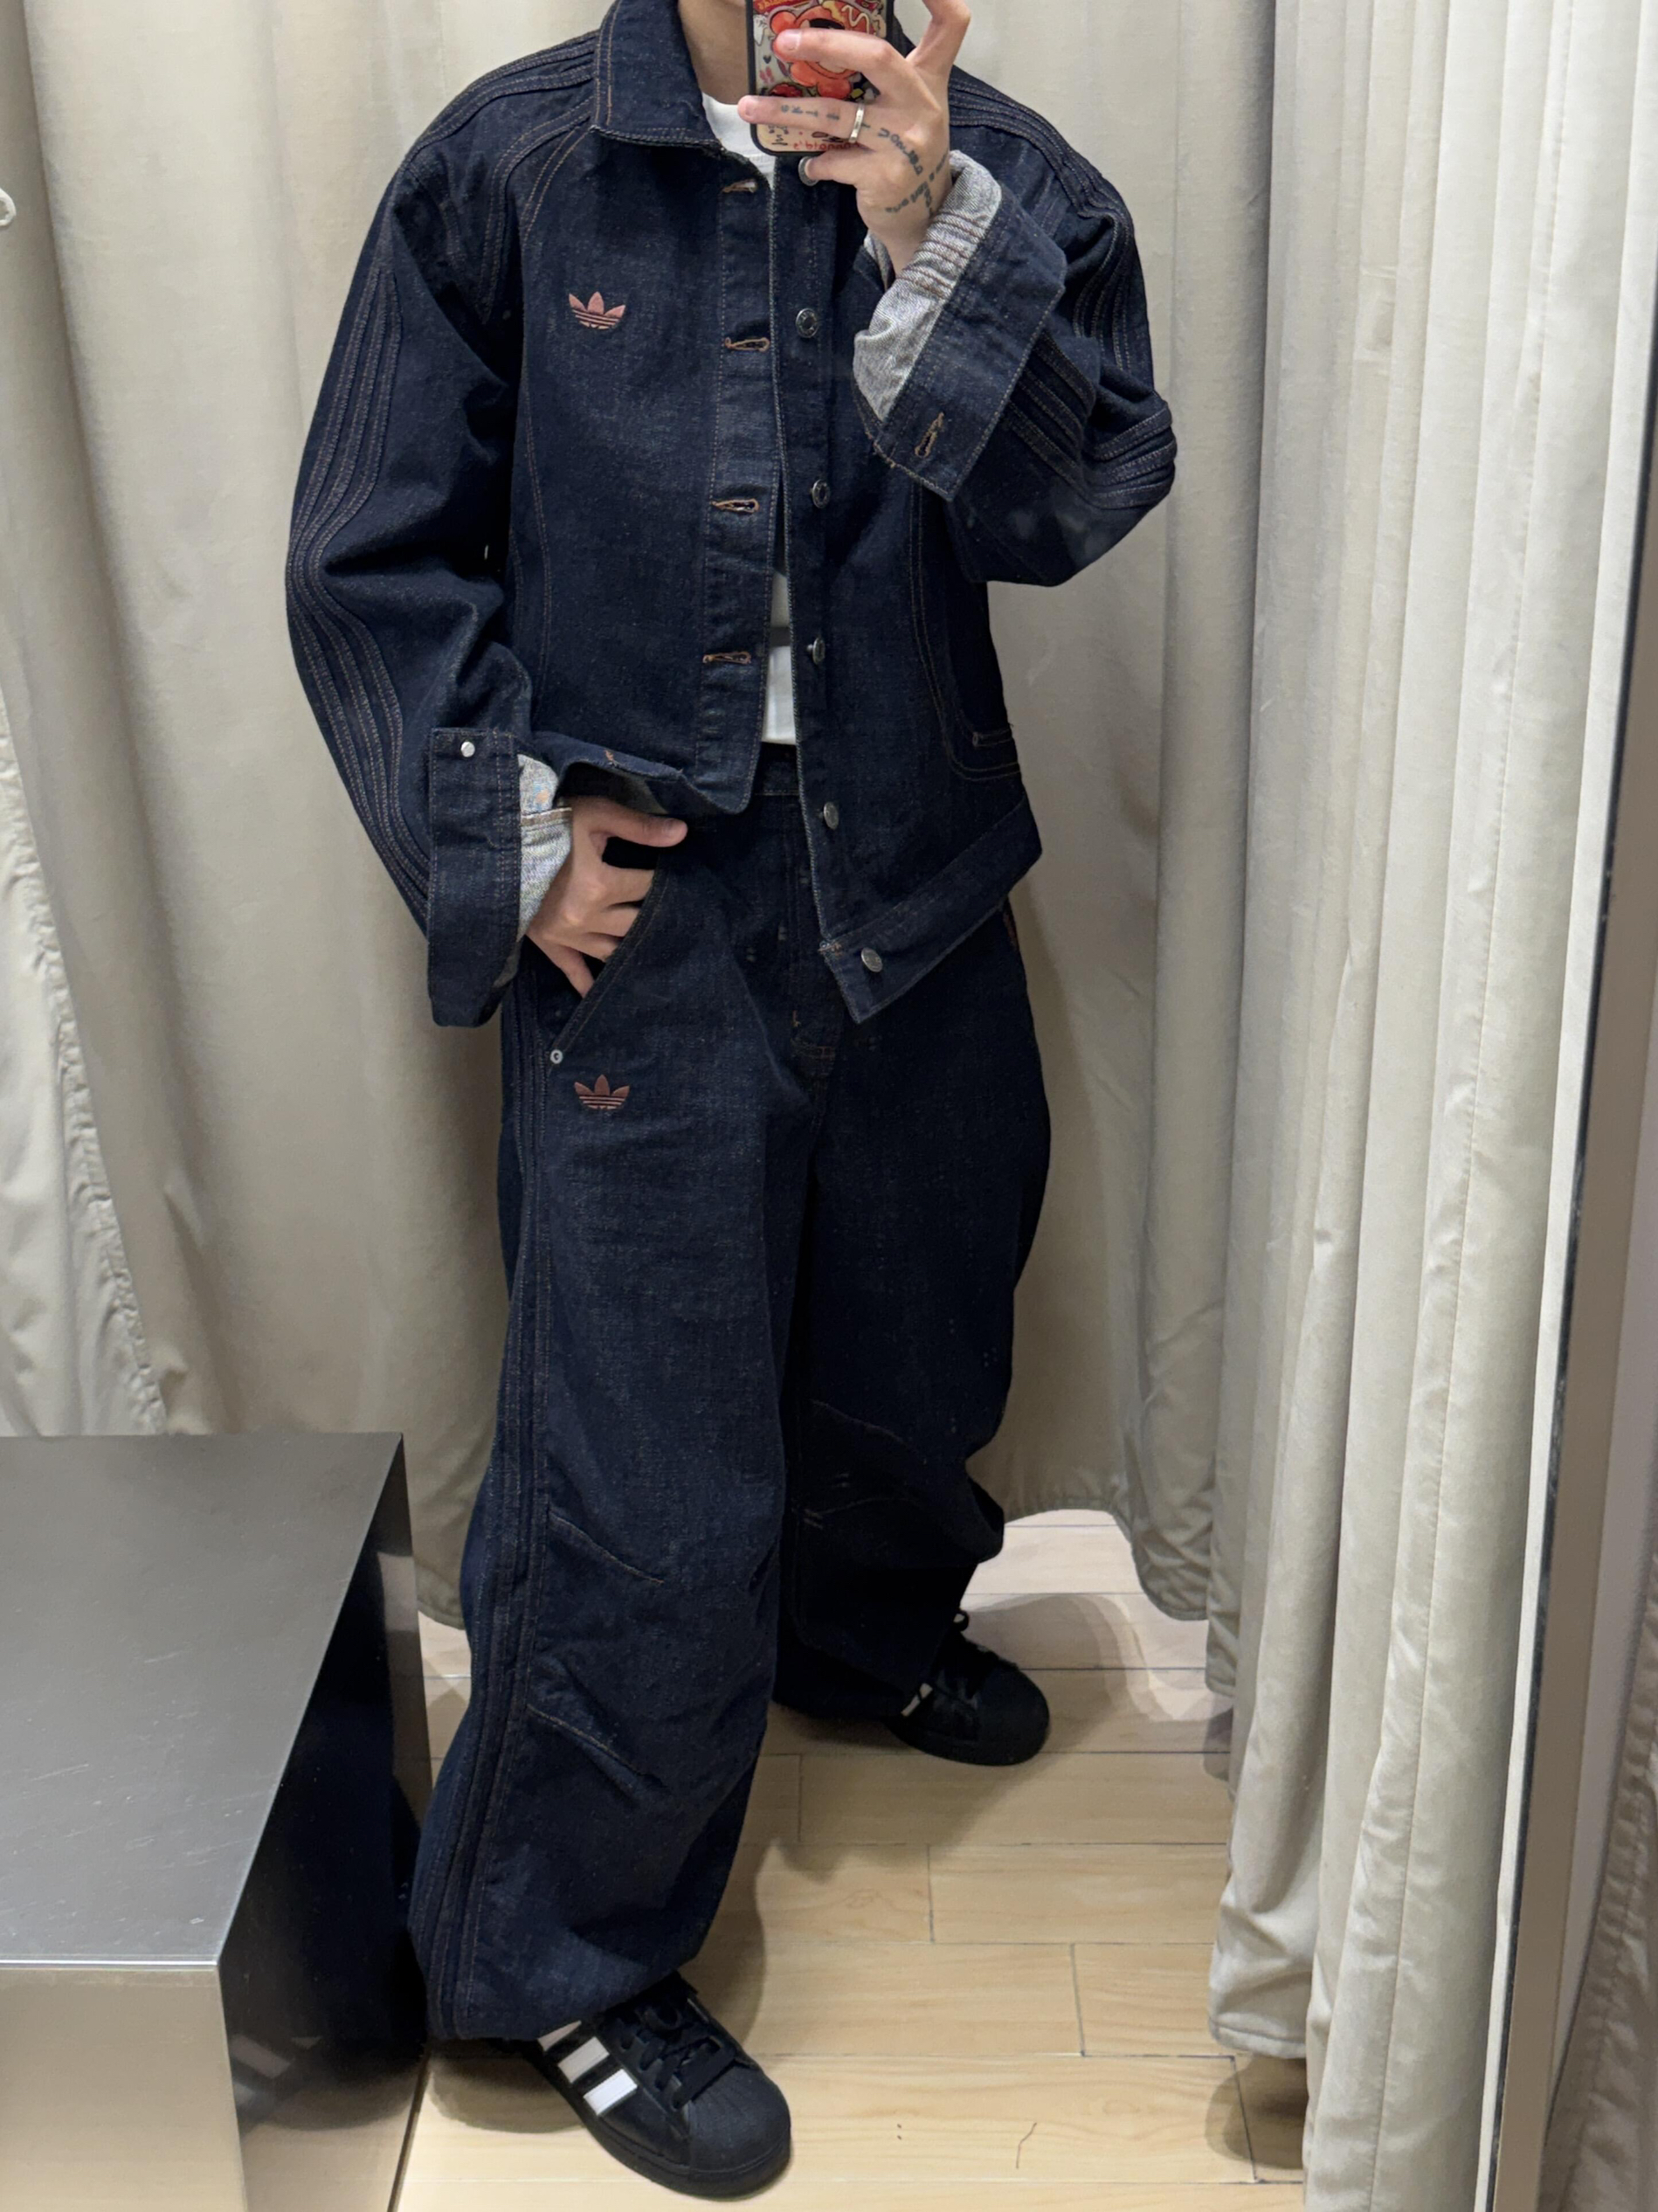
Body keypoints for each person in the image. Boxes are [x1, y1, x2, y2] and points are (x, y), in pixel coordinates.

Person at [287, 0, 1173, 2195]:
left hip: (917, 880)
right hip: (650, 908)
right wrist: (513, 845)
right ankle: (557, 1959)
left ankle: (854, 1641)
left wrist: (933, 239)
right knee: (641, 1455)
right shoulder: (515, 170)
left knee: (913, 1333)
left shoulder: (1005, 176)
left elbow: (1076, 502)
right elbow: (370, 550)